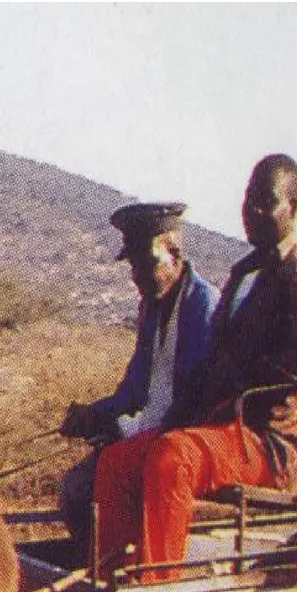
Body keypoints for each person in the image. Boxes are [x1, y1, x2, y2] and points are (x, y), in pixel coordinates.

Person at [89, 154, 297, 580]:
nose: (252, 211)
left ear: (291, 207)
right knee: (117, 462)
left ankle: (156, 585)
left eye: (266, 200)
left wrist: (239, 381)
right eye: (248, 198)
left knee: (172, 458)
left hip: (266, 441)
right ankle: (112, 579)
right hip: (221, 429)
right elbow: (212, 358)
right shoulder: (243, 275)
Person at [55, 201, 220, 550]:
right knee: (75, 491)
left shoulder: (202, 306)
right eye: (134, 265)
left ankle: (122, 572)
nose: (138, 275)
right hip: (148, 434)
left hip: (179, 441)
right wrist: (95, 414)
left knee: (85, 491)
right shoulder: (150, 307)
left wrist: (122, 429)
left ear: (174, 254)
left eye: (147, 263)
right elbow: (133, 390)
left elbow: (189, 403)